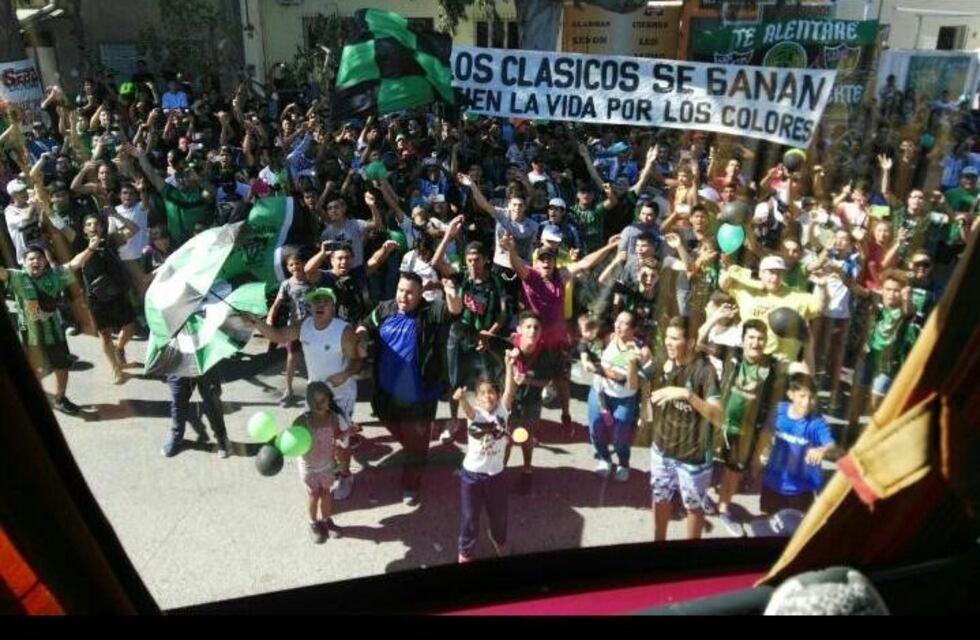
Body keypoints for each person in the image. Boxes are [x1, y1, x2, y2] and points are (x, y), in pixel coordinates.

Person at [356, 273, 463, 506]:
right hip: (386, 391)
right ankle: (416, 451)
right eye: (401, 290)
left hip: (421, 394)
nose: (404, 296)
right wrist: (361, 338)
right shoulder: (386, 308)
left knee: (416, 441)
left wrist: (452, 294)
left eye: (410, 292)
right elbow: (365, 325)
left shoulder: (430, 311)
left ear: (421, 293)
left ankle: (411, 483)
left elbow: (454, 311)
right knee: (402, 433)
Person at [247, 287, 363, 501]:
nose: (319, 305)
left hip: (340, 396)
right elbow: (279, 335)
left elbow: (357, 360)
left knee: (341, 439)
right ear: (310, 306)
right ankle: (327, 468)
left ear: (333, 306)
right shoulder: (305, 326)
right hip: (314, 394)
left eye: (325, 301)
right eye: (315, 301)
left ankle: (346, 475)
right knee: (317, 436)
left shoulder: (343, 330)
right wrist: (258, 323)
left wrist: (345, 373)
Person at [649, 317, 722, 541]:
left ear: (690, 343)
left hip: (693, 455)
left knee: (693, 506)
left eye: (674, 338)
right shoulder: (664, 359)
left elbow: (719, 417)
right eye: (667, 337)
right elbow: (636, 383)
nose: (668, 343)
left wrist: (688, 395)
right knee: (660, 498)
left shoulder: (705, 371)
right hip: (661, 448)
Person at [0, 243, 95, 415]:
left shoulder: (55, 276)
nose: (35, 261)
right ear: (23, 262)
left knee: (61, 367)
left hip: (55, 334)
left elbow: (74, 263)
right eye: (31, 259)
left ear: (45, 262)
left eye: (39, 258)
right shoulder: (17, 277)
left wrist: (91, 248)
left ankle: (60, 398)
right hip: (30, 336)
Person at [715, 319, 786, 537]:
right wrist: (714, 316)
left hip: (747, 431)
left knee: (732, 472)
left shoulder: (773, 367)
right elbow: (698, 342)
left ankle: (724, 508)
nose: (756, 343)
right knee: (710, 466)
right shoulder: (731, 355)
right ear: (743, 340)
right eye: (751, 338)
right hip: (720, 425)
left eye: (760, 338)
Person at [453, 357, 517, 563]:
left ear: (497, 395)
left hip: (496, 475)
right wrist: (462, 399)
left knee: (499, 516)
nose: (487, 396)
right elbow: (468, 410)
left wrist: (508, 365)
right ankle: (465, 550)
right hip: (471, 476)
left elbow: (510, 391)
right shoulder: (475, 415)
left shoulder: (502, 411)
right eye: (482, 393)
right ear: (477, 398)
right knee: (470, 517)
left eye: (491, 392)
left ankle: (499, 540)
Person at [846, 270, 914, 446]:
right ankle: (850, 434)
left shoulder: (903, 311)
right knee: (857, 399)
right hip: (866, 356)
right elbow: (857, 289)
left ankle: (866, 439)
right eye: (888, 289)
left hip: (886, 363)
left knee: (876, 404)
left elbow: (909, 312)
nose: (891, 294)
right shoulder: (876, 302)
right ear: (882, 289)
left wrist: (907, 299)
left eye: (896, 290)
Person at [72, 212, 139, 384]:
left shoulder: (111, 240)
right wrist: (91, 248)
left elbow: (134, 228)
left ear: (102, 227)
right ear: (84, 230)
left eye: (97, 224)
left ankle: (119, 349)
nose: (93, 227)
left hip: (117, 292)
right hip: (96, 297)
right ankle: (116, 369)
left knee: (130, 327)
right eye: (89, 225)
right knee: (105, 335)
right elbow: (76, 264)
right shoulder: (79, 243)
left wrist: (115, 214)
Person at [583, 311, 650, 482]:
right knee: (596, 428)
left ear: (633, 328)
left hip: (625, 398)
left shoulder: (639, 351)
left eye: (624, 323)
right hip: (599, 392)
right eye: (617, 321)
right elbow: (583, 340)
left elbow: (633, 384)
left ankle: (623, 463)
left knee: (621, 434)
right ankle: (604, 459)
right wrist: (584, 358)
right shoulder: (607, 337)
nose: (618, 325)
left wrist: (601, 369)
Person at [759, 373, 836, 515]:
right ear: (790, 394)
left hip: (802, 490)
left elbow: (831, 446)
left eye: (811, 397)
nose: (807, 402)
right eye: (802, 396)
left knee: (796, 531)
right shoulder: (778, 411)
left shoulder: (816, 423)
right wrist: (757, 458)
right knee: (768, 523)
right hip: (772, 483)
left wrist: (822, 450)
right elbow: (766, 432)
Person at [294, 382, 349, 544]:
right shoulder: (302, 421)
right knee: (313, 495)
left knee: (326, 494)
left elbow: (337, 436)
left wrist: (348, 432)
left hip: (327, 464)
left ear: (329, 399)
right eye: (314, 401)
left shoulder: (332, 417)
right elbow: (293, 442)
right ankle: (313, 524)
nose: (319, 405)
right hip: (309, 467)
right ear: (309, 401)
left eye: (322, 400)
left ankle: (326, 520)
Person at [266, 249, 313, 406]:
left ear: (305, 264)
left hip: (312, 327)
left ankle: (313, 391)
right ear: (288, 268)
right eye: (291, 265)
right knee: (291, 358)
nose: (294, 267)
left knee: (311, 359)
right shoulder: (286, 284)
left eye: (297, 263)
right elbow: (277, 304)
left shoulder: (312, 280)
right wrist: (271, 316)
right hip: (293, 328)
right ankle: (289, 390)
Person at [161, 369, 231, 459]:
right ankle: (177, 438)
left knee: (212, 403)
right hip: (178, 362)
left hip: (206, 363)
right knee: (178, 402)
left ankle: (222, 438)